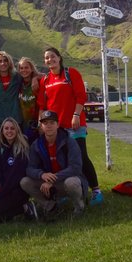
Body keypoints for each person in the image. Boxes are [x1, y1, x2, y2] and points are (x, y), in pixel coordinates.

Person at [36, 47, 103, 205]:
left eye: (53, 57)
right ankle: (67, 191)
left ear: (59, 58)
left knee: (81, 157)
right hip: (56, 128)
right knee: (62, 160)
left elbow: (81, 96)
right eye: (46, 58)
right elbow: (41, 104)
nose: (50, 60)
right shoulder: (45, 80)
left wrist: (76, 115)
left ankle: (96, 191)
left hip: (74, 124)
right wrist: (41, 123)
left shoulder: (70, 73)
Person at [20, 110, 87, 218]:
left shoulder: (69, 142)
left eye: (52, 123)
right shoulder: (37, 145)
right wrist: (41, 175)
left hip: (65, 181)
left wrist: (53, 179)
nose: (49, 126)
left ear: (58, 125)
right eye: (45, 123)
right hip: (47, 183)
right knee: (25, 182)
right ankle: (50, 207)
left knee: (72, 183)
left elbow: (75, 168)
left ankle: (79, 207)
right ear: (41, 126)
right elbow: (30, 168)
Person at [17, 57, 39, 140]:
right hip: (23, 124)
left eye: (26, 67)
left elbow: (48, 75)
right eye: (21, 68)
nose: (24, 70)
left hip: (36, 124)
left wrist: (35, 78)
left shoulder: (38, 82)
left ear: (32, 69)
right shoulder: (19, 84)